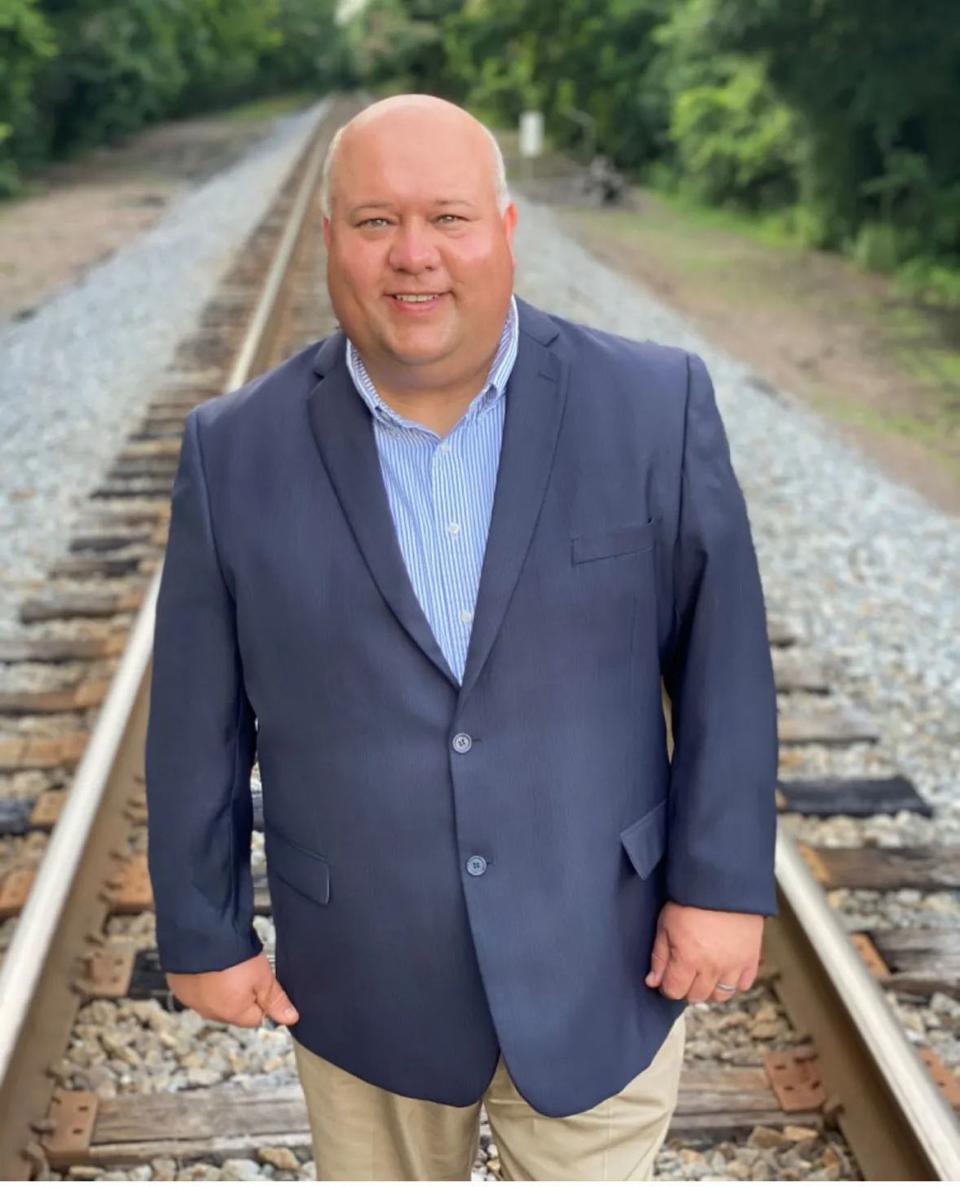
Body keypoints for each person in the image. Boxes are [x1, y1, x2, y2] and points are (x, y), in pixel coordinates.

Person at [145, 94, 779, 1181]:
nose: (414, 257)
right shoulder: (230, 451)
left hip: (603, 964)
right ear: (329, 236)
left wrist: (720, 885)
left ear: (506, 227)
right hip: (362, 982)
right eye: (377, 221)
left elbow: (723, 661)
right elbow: (197, 720)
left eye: (448, 217)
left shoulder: (654, 403)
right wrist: (204, 930)